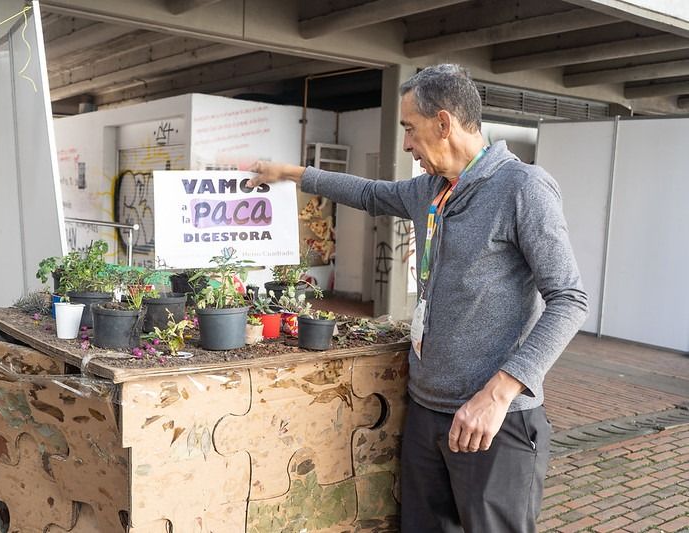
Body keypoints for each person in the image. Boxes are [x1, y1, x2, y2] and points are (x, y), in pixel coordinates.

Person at [247, 64, 588, 532]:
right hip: (428, 413)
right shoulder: (431, 190)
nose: (406, 143)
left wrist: (499, 393)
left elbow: (569, 299)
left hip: (495, 422)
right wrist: (288, 173)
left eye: (410, 128)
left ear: (443, 123)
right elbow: (367, 193)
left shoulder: (523, 188)